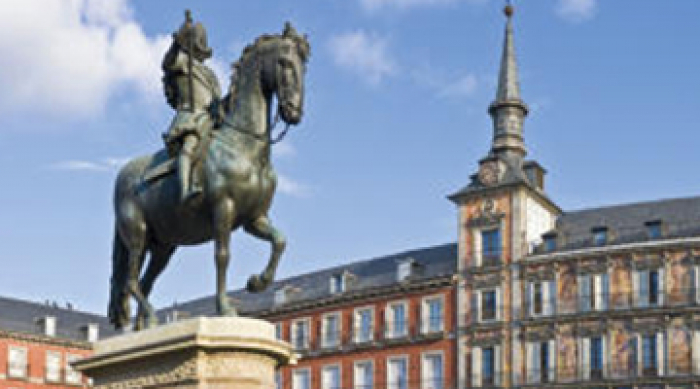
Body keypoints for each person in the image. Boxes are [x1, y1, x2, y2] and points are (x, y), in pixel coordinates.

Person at [162, 11, 221, 202]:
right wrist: (177, 42)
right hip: (190, 118)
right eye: (197, 46)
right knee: (189, 147)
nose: (199, 52)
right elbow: (167, 63)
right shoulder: (181, 62)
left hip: (209, 120)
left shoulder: (211, 75)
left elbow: (217, 99)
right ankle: (185, 190)